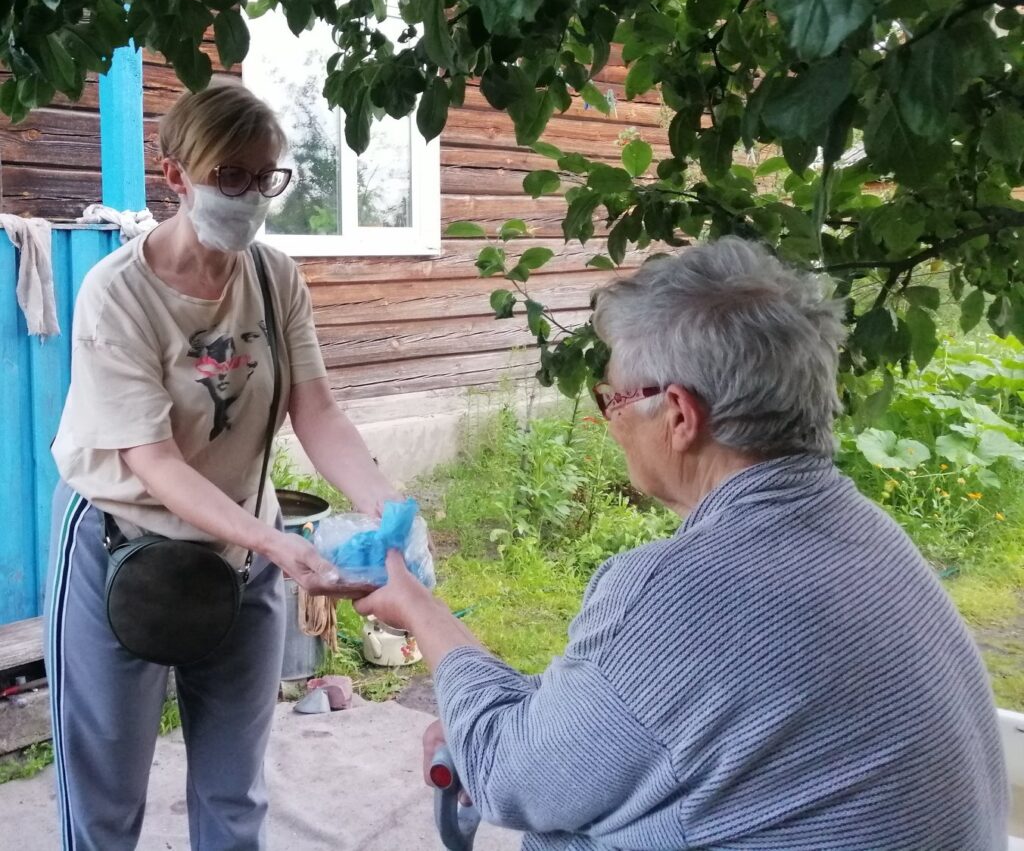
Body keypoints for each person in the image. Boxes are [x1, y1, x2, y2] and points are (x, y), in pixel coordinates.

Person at [356, 237, 1009, 850]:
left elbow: (507, 776)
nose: (608, 419)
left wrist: (422, 611)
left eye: (612, 397)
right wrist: (500, 725)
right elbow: (634, 716)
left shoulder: (684, 588)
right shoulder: (866, 531)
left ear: (678, 414)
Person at [45, 78, 398, 851]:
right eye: (228, 176)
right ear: (175, 174)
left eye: (265, 176)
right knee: (103, 794)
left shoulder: (274, 278)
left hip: (243, 554)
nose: (249, 196)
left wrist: (387, 502)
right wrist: (281, 544)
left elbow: (318, 411)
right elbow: (155, 462)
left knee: (234, 790)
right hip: (123, 550)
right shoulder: (119, 295)